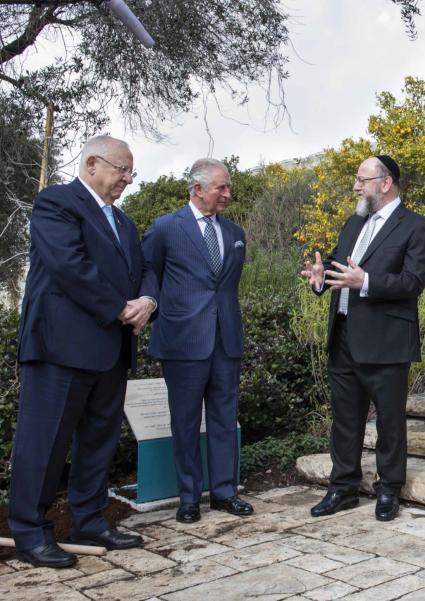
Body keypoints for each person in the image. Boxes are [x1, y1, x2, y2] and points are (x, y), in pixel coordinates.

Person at [8, 135, 157, 568]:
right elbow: (68, 265)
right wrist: (119, 308)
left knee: (98, 440)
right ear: (92, 164)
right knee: (44, 442)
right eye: (121, 169)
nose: (128, 179)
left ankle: (90, 520)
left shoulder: (124, 223)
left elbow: (145, 268)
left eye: (132, 171)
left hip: (110, 350)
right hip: (60, 348)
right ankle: (29, 532)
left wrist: (148, 300)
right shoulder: (56, 203)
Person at [300, 155, 425, 522]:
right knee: (345, 418)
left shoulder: (417, 227)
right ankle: (342, 488)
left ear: (386, 182)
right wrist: (320, 277)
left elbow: (413, 282)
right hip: (343, 335)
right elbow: (336, 268)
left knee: (390, 420)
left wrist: (368, 283)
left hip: (386, 339)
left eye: (362, 179)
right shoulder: (353, 223)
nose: (356, 186)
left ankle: (388, 489)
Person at [142, 158, 252, 524]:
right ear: (197, 189)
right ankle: (188, 498)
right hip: (182, 343)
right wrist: (154, 312)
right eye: (221, 187)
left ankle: (224, 493)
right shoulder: (164, 229)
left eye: (228, 187)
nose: (227, 193)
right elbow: (148, 276)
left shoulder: (236, 233)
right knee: (186, 422)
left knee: (224, 419)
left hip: (226, 343)